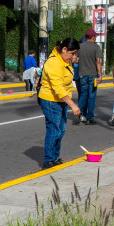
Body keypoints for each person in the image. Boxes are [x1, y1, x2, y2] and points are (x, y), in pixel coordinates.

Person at [37, 38, 81, 169]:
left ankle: (55, 157)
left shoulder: (64, 61)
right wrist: (72, 104)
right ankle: (48, 160)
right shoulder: (54, 63)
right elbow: (58, 88)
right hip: (51, 100)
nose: (74, 57)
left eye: (75, 54)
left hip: (60, 100)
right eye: (72, 53)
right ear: (64, 49)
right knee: (54, 129)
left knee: (61, 130)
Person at [77, 29, 103, 125]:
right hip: (93, 75)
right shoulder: (96, 47)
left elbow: (74, 58)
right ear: (92, 37)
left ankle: (79, 114)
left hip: (82, 75)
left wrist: (80, 63)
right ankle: (90, 117)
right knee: (91, 96)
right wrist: (100, 75)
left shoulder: (80, 47)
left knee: (83, 95)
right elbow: (98, 62)